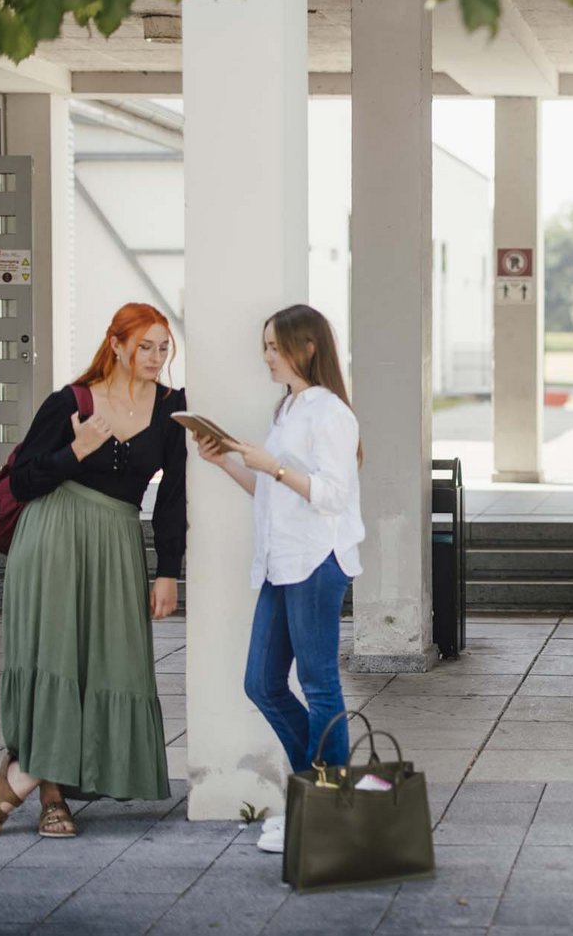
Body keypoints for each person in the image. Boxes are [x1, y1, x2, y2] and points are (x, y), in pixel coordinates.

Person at [0, 303, 185, 840]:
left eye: (164, 347)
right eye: (146, 346)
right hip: (52, 539)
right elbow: (23, 481)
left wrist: (169, 570)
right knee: (58, 662)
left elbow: (174, 499)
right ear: (116, 344)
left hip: (117, 544)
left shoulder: (171, 408)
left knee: (111, 665)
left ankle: (20, 774)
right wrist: (78, 448)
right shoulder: (70, 401)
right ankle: (50, 797)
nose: (156, 357)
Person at [195, 304, 364, 856]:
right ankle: (313, 793)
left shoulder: (330, 414)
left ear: (306, 347)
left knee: (319, 687)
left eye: (274, 346)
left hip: (317, 561)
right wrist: (227, 462)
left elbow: (332, 495)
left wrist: (272, 466)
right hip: (281, 561)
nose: (266, 356)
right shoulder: (288, 408)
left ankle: (329, 810)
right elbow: (273, 493)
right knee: (262, 683)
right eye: (265, 346)